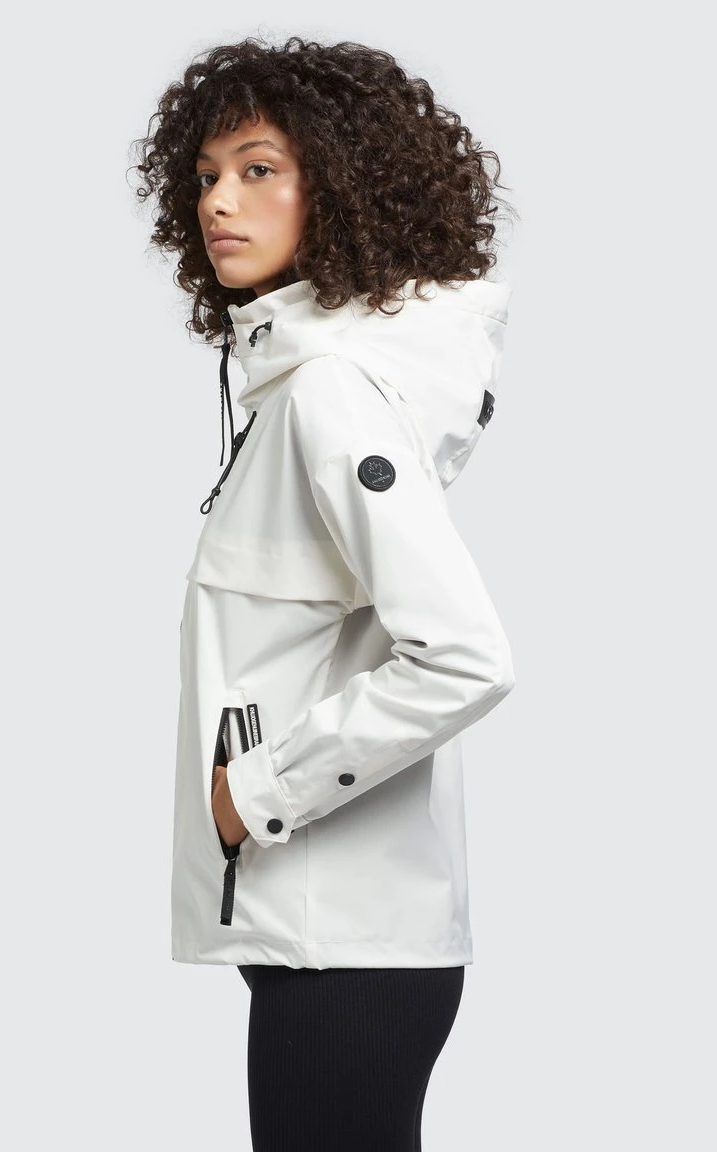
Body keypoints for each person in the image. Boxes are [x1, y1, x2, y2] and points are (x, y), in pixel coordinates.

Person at [130, 34, 518, 1152]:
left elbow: (464, 657)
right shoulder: (295, 391)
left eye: (259, 169)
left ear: (342, 190)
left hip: (345, 946)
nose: (218, 201)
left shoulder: (329, 399)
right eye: (207, 174)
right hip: (329, 937)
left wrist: (254, 795)